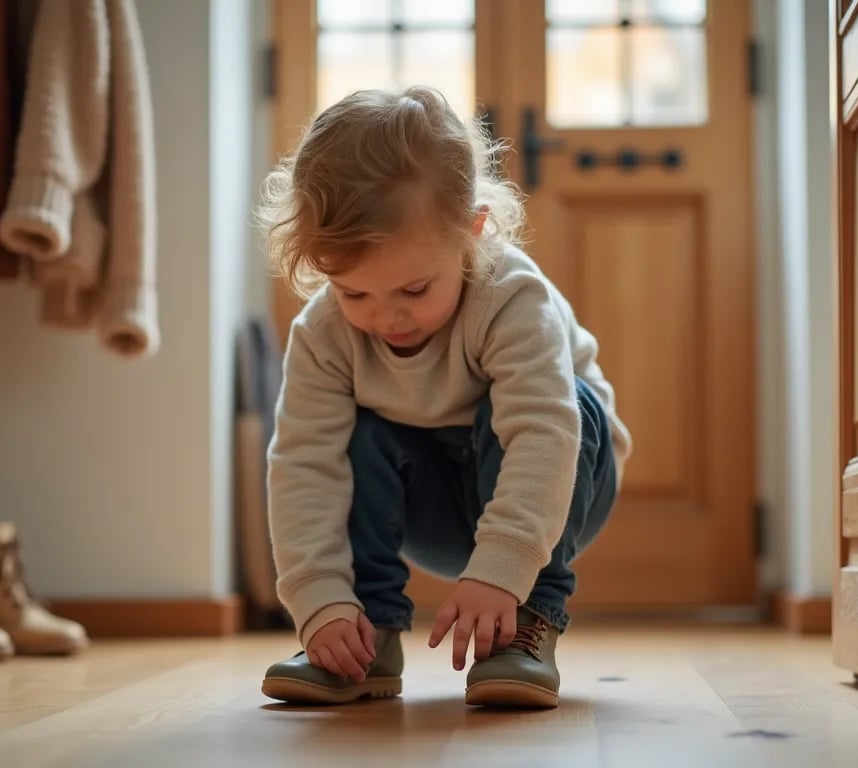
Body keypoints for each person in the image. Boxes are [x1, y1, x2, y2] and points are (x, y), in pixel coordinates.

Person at [254, 85, 631, 709]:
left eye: (414, 288)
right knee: (352, 432)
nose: (386, 318)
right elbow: (302, 466)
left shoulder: (511, 297)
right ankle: (362, 638)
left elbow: (546, 432)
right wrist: (318, 598)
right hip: (431, 505)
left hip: (563, 488)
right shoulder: (323, 335)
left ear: (472, 231)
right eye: (355, 294)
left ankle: (526, 626)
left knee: (567, 403)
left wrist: (503, 571)